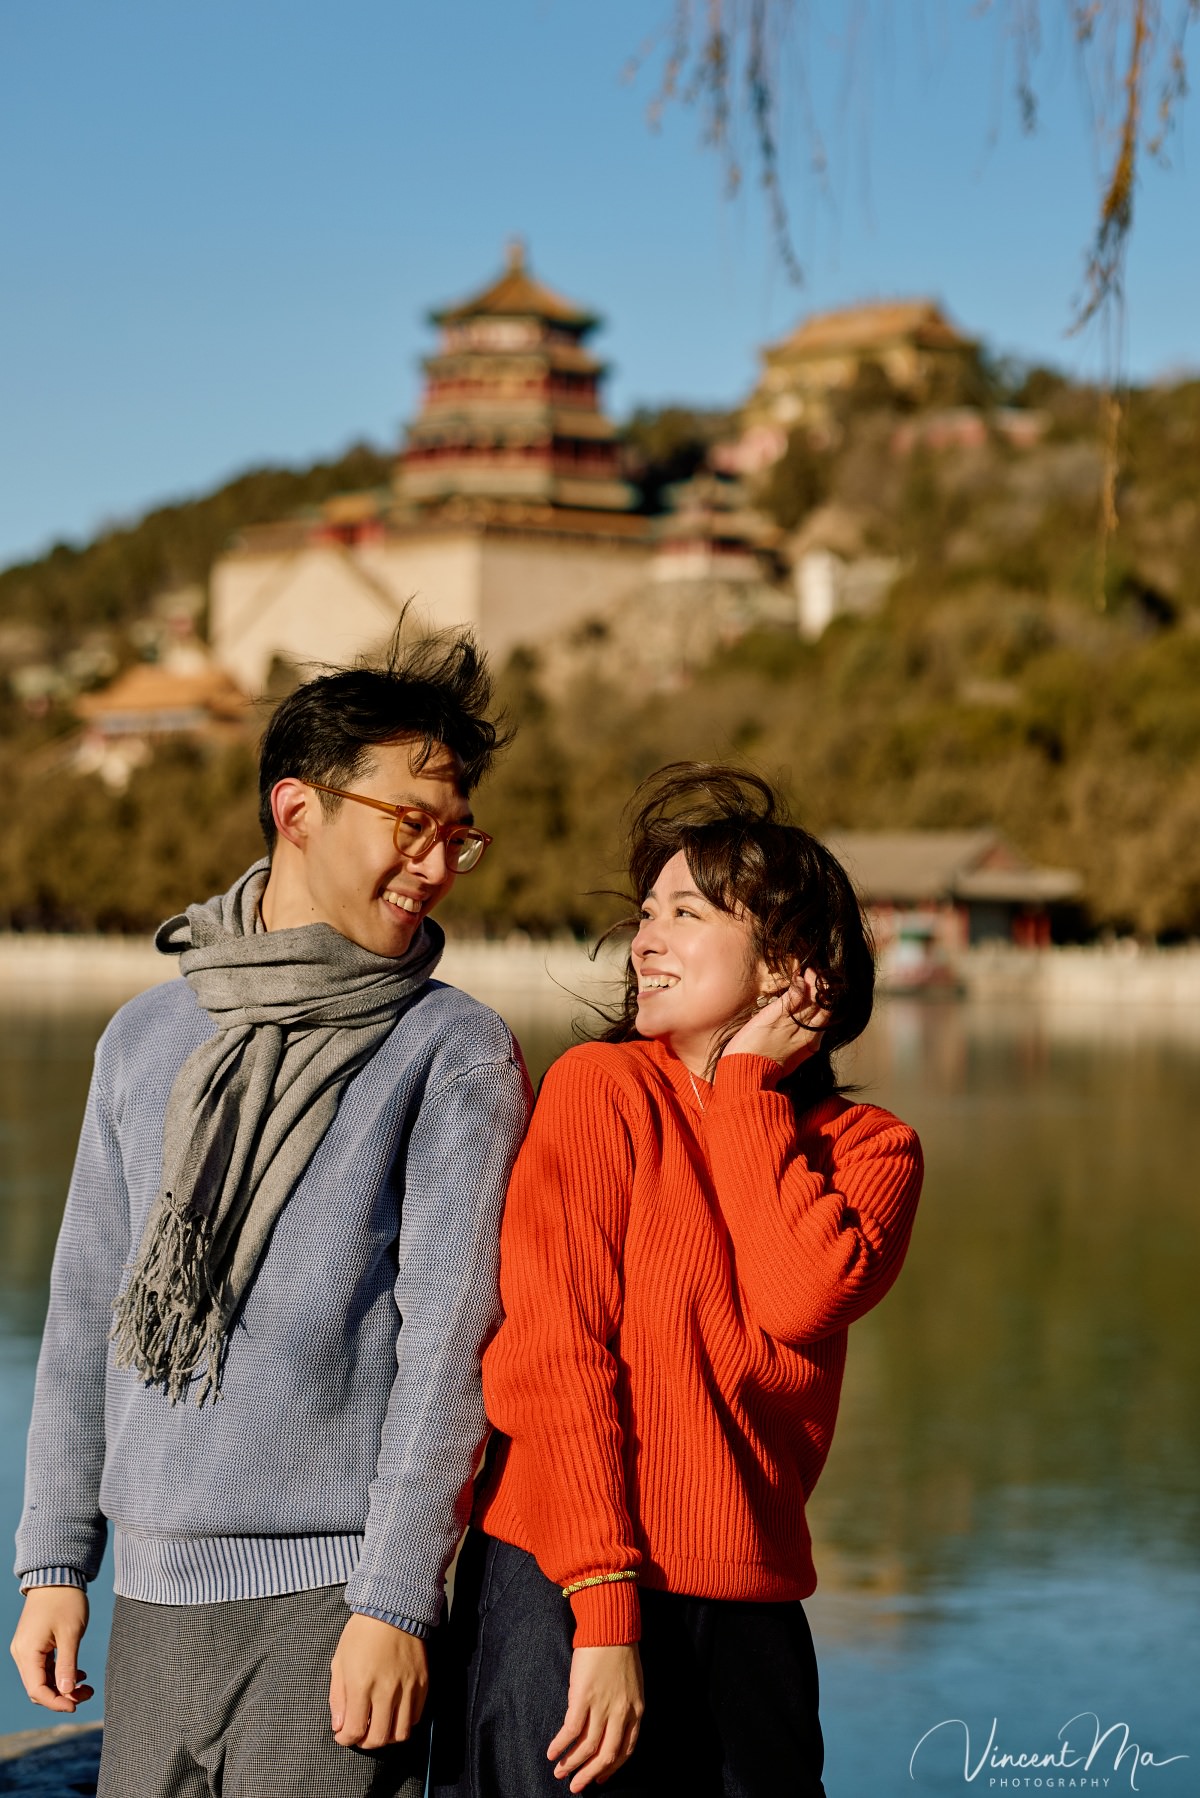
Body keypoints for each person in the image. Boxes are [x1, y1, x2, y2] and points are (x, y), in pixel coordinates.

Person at [11, 628, 532, 1798]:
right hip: (150, 1593)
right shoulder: (149, 1034)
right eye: (412, 823)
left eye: (458, 836)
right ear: (298, 809)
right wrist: (54, 1560)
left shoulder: (449, 1052)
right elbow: (89, 1306)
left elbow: (448, 1352)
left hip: (330, 1600)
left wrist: (396, 1598)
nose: (439, 865)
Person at [431, 764, 924, 1798]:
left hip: (749, 1616)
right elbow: (558, 1354)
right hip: (565, 1584)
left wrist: (744, 1085)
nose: (645, 937)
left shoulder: (869, 1150)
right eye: (646, 911)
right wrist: (603, 1609)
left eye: (687, 911)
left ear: (791, 964)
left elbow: (797, 1295)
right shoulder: (597, 1090)